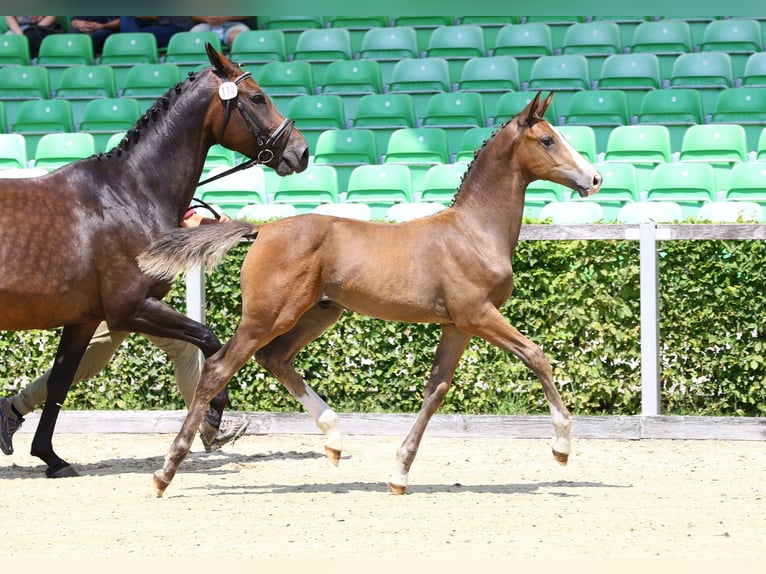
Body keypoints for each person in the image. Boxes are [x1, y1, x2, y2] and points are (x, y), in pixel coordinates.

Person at [0, 207, 249, 457]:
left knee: (89, 360)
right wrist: (223, 227)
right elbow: (191, 223)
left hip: (124, 294)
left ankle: (13, 409)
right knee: (182, 348)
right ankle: (208, 424)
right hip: (132, 297)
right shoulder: (162, 188)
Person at [118, 16, 193, 49]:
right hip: (159, 25)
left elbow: (155, 16)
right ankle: (135, 48)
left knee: (139, 36)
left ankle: (134, 49)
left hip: (177, 29)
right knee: (126, 18)